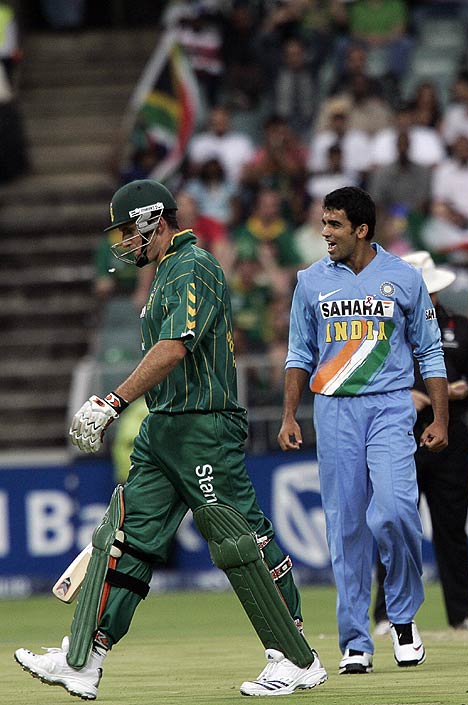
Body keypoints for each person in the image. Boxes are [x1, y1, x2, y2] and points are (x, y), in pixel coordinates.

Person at [14, 179, 328, 699]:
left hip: (203, 424)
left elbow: (176, 346)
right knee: (125, 538)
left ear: (152, 221)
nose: (122, 244)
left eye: (126, 232)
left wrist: (110, 401)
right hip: (165, 426)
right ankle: (82, 659)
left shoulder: (193, 266)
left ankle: (296, 658)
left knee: (238, 538)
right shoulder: (163, 275)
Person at [277, 186, 449, 675]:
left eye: (333, 225)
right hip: (333, 410)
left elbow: (430, 351)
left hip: (392, 406)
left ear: (361, 229)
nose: (324, 233)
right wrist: (290, 415)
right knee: (347, 526)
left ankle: (403, 618)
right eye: (323, 223)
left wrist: (440, 417)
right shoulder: (310, 281)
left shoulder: (403, 277)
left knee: (395, 512)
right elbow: (298, 355)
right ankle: (356, 640)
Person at [373, 251, 468, 635]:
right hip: (398, 434)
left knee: (451, 528)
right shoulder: (386, 328)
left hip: (451, 435)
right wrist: (402, 393)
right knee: (392, 524)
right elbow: (364, 373)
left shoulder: (460, 327)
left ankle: (463, 612)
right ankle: (386, 614)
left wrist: (466, 387)